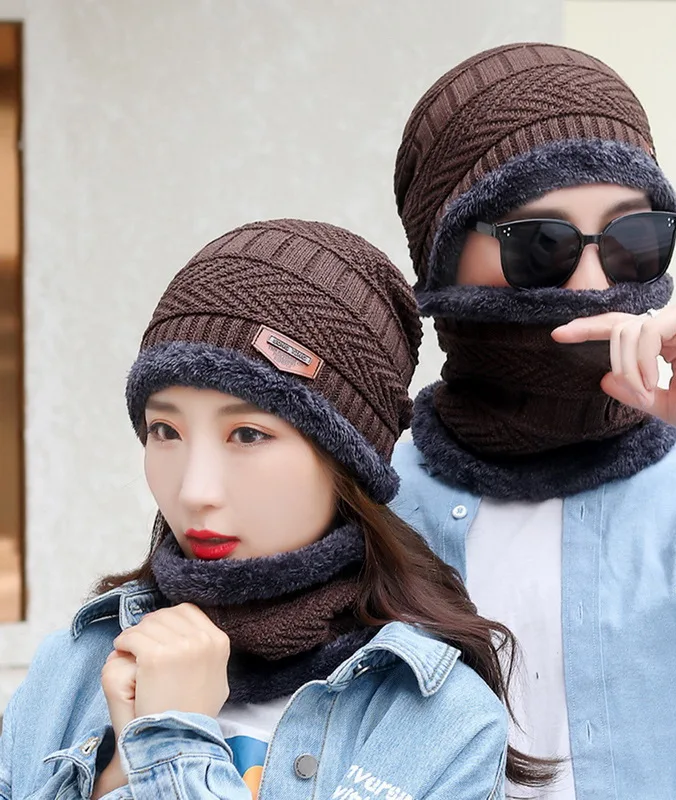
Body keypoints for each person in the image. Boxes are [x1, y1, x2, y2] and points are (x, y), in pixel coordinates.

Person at [0, 219, 558, 800]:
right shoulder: (75, 666)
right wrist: (113, 776)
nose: (194, 491)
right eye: (165, 430)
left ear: (347, 459)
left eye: (247, 434)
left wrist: (169, 743)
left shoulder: (436, 719)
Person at [390, 43, 676, 799]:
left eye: (631, 239)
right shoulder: (377, 509)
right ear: (443, 260)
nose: (592, 283)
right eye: (540, 244)